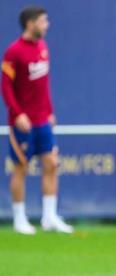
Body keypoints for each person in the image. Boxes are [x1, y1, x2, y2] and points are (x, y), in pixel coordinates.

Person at [2, 6, 73, 235]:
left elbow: (44, 85)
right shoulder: (13, 52)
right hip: (23, 122)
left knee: (52, 164)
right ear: (30, 23)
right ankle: (20, 219)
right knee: (21, 168)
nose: (47, 25)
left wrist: (49, 111)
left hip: (43, 119)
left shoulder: (43, 47)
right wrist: (17, 113)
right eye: (43, 21)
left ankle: (49, 216)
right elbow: (6, 87)